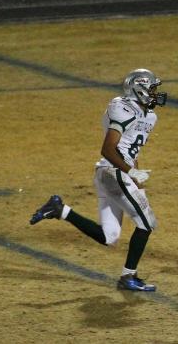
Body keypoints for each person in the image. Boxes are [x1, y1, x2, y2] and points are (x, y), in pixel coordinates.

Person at [30, 68, 167, 291]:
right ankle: (128, 277)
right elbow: (108, 149)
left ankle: (60, 209)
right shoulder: (123, 109)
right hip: (113, 172)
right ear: (138, 90)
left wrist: (137, 181)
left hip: (112, 174)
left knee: (109, 236)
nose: (155, 94)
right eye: (151, 89)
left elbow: (131, 150)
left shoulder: (150, 116)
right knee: (147, 223)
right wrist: (131, 174)